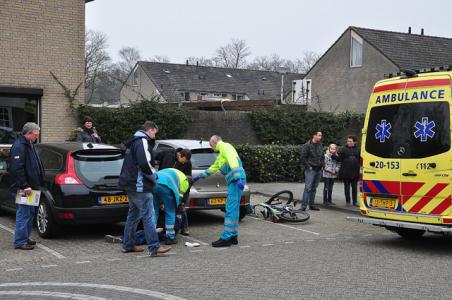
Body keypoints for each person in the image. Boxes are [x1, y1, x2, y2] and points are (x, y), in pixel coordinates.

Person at [118, 121, 171, 257]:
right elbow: (144, 163)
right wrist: (154, 177)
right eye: (154, 132)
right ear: (150, 130)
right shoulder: (142, 141)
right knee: (148, 215)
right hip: (140, 185)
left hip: (130, 184)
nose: (155, 135)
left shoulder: (133, 141)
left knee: (133, 215)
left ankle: (128, 245)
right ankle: (154, 246)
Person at [194, 135, 246, 247]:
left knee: (230, 208)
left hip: (236, 181)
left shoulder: (225, 146)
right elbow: (214, 167)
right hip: (236, 181)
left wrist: (237, 178)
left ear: (214, 141)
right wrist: (200, 176)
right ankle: (233, 236)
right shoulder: (221, 153)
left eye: (210, 145)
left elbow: (233, 160)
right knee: (235, 209)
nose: (211, 148)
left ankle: (226, 237)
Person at [10, 122, 44, 250]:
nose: (37, 136)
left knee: (29, 213)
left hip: (32, 187)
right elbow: (17, 168)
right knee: (23, 213)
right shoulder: (19, 146)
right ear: (29, 133)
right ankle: (20, 242)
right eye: (36, 134)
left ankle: (25, 237)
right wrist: (25, 185)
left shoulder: (29, 144)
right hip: (25, 188)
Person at [153, 148, 192, 235]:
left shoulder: (187, 164)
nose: (183, 163)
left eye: (185, 162)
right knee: (170, 210)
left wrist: (181, 201)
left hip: (165, 184)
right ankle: (169, 236)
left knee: (179, 207)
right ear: (179, 155)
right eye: (183, 161)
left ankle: (183, 227)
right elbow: (152, 156)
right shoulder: (167, 153)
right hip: (163, 184)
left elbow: (186, 184)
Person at [152, 168, 193, 244]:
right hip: (166, 185)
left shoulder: (176, 171)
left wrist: (162, 203)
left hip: (153, 183)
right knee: (170, 211)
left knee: (154, 211)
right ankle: (170, 237)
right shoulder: (185, 182)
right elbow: (179, 198)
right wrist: (175, 206)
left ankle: (151, 236)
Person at [300, 131, 324, 211]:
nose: (320, 137)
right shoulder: (307, 145)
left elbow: (322, 156)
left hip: (318, 170)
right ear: (314, 135)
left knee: (314, 188)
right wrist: (308, 167)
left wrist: (322, 165)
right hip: (311, 170)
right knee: (308, 188)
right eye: (319, 135)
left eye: (321, 135)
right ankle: (303, 206)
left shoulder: (320, 145)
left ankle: (312, 205)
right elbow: (303, 157)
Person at [336, 135, 360, 207]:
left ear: (354, 142)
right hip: (345, 171)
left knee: (354, 188)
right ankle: (348, 201)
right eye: (348, 141)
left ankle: (355, 202)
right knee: (346, 187)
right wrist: (333, 156)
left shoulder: (358, 149)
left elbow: (361, 158)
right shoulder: (343, 149)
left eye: (350, 141)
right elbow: (339, 159)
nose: (348, 142)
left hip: (355, 171)